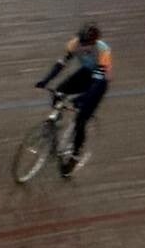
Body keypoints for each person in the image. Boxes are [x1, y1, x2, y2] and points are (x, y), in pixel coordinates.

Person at [34, 21, 113, 176]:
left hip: (99, 81)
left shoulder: (103, 51)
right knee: (58, 92)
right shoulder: (75, 43)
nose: (83, 47)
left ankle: (75, 156)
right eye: (82, 43)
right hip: (86, 73)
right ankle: (55, 126)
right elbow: (60, 65)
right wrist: (46, 80)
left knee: (81, 119)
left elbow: (97, 81)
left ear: (94, 42)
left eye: (87, 45)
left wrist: (83, 98)